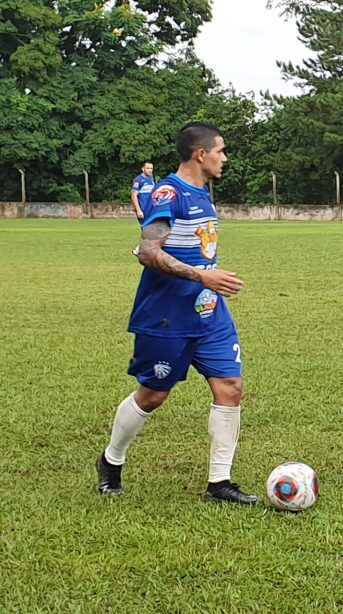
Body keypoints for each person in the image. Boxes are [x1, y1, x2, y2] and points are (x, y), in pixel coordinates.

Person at [96, 123, 257, 505]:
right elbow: (148, 253)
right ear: (201, 154)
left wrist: (208, 281)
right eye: (220, 150)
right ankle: (110, 460)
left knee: (231, 388)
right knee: (153, 395)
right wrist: (203, 275)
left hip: (209, 312)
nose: (225, 157)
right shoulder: (170, 193)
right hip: (166, 315)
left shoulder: (204, 193)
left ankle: (220, 484)